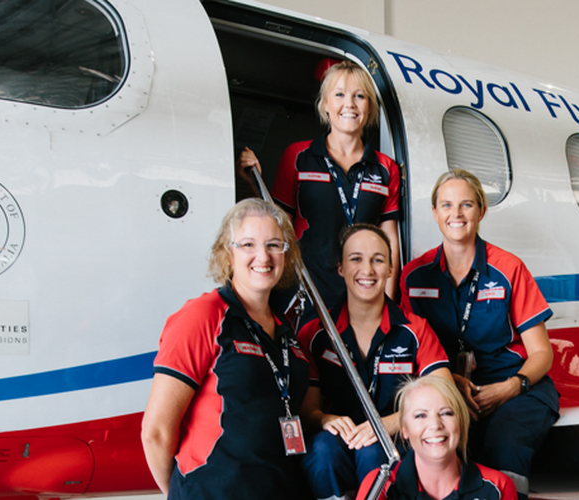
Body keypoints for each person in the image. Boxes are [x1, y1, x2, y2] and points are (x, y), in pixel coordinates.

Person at [142, 198, 313, 499]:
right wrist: (184, 493)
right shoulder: (204, 315)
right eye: (248, 244)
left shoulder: (287, 330)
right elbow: (156, 432)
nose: (263, 255)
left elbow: (302, 411)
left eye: (274, 244)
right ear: (228, 253)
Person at [400, 170, 558, 496]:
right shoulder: (414, 277)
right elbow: (412, 349)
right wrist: (448, 382)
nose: (455, 214)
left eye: (466, 205)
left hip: (517, 384)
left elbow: (542, 353)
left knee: (505, 445)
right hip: (451, 387)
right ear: (434, 213)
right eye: (446, 205)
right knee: (432, 450)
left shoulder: (508, 268)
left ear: (481, 211)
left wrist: (510, 388)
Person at [300, 224, 454, 500]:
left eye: (378, 260)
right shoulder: (315, 333)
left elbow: (445, 396)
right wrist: (325, 419)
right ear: (341, 268)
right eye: (356, 259)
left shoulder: (415, 330)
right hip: (339, 447)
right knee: (322, 447)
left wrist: (389, 424)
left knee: (374, 449)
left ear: (390, 269)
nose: (368, 270)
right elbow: (307, 409)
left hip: (396, 443)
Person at [238, 60, 403, 311]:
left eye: (359, 96)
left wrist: (387, 305)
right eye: (339, 95)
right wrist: (254, 184)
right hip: (305, 290)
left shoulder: (385, 168)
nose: (349, 104)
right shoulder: (297, 156)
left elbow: (389, 241)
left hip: (362, 293)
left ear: (369, 107)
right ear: (325, 104)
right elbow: (277, 227)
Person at [355, 376, 519, 500]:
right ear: (404, 429)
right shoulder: (380, 485)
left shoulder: (499, 487)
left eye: (446, 413)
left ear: (461, 423)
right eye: (420, 416)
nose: (435, 425)